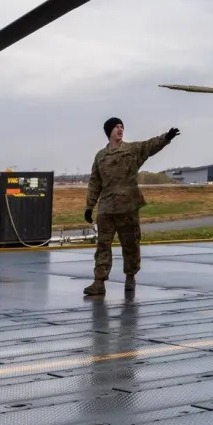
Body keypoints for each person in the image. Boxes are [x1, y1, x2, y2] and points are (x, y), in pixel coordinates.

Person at [83, 117, 179, 298]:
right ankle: (99, 282)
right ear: (109, 131)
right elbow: (94, 183)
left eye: (122, 127)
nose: (120, 129)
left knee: (130, 244)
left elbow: (149, 146)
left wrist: (166, 137)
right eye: (116, 127)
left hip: (128, 205)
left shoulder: (132, 150)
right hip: (106, 208)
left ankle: (130, 277)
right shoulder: (100, 156)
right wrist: (89, 206)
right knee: (103, 245)